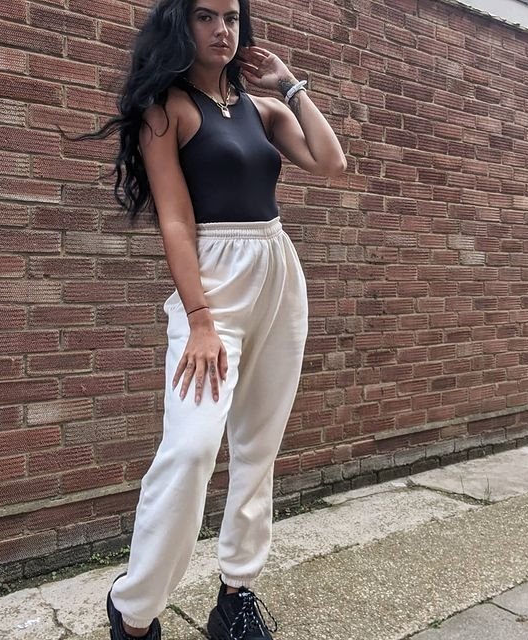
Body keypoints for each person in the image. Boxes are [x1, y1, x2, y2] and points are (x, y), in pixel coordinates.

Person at [89, 0, 346, 637]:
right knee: (192, 447)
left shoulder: (263, 109)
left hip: (278, 272)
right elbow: (176, 220)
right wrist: (200, 318)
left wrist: (289, 84)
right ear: (181, 24)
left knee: (258, 445)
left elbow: (330, 161)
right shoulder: (167, 110)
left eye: (231, 17)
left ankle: (236, 594)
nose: (222, 29)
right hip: (214, 284)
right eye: (206, 16)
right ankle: (135, 607)